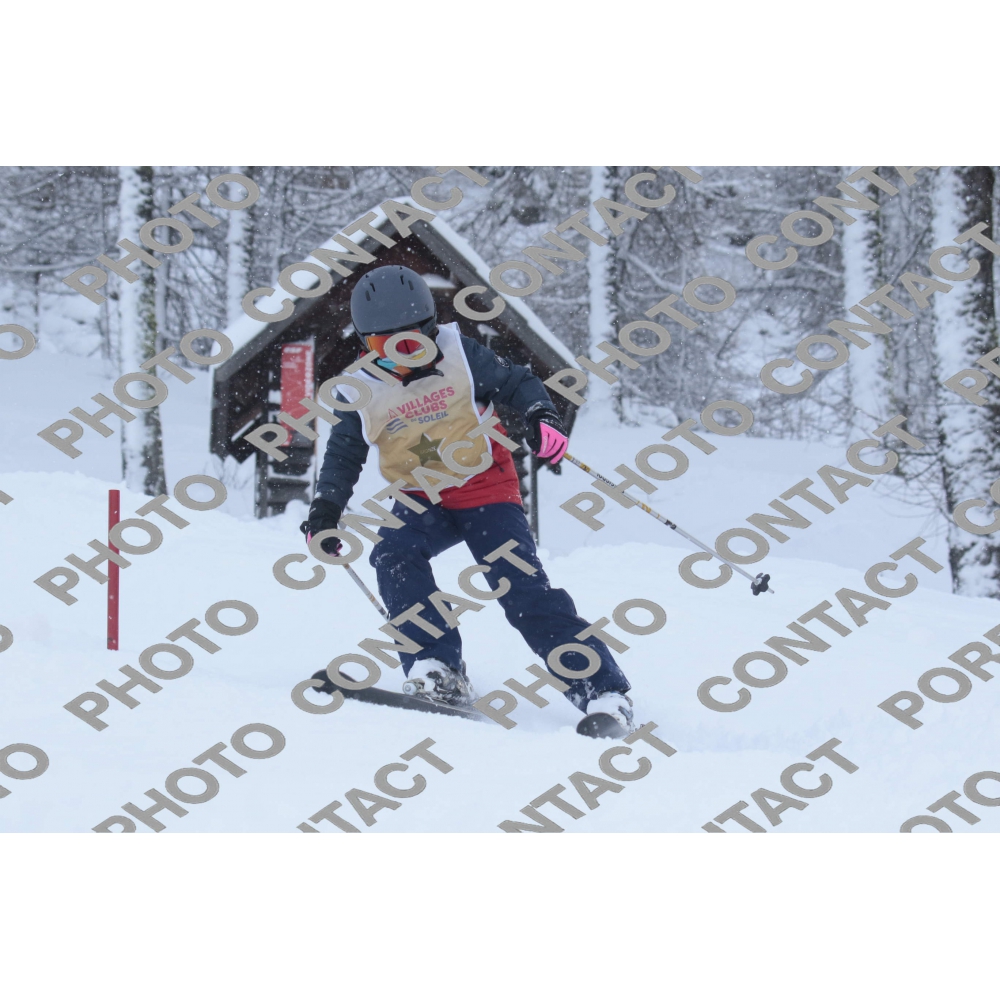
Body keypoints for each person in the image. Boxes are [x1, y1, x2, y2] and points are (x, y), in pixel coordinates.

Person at [300, 265, 634, 737]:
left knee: (521, 589)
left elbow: (518, 382)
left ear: (431, 327)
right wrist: (325, 510)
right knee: (393, 554)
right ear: (365, 343)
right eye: (384, 345)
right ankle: (437, 669)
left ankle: (603, 691)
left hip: (486, 489)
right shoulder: (358, 388)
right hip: (421, 498)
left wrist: (541, 414)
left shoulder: (462, 353)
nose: (403, 355)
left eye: (413, 341)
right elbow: (343, 454)